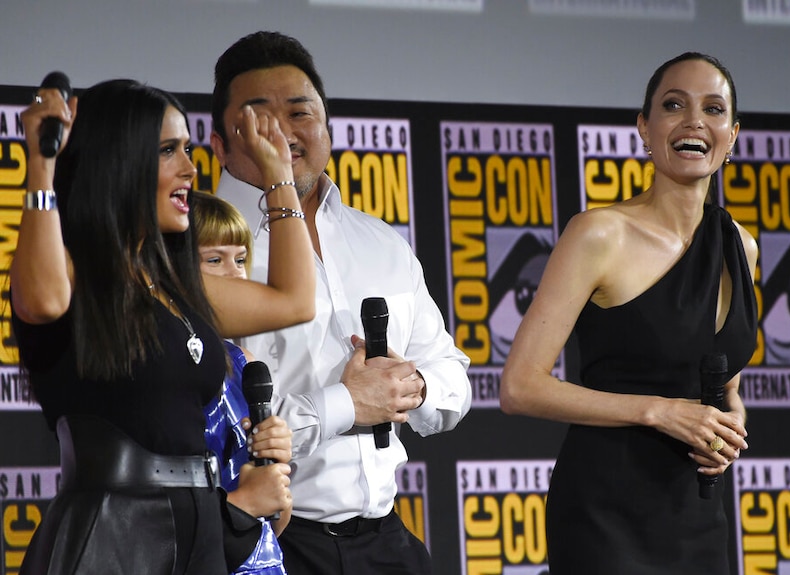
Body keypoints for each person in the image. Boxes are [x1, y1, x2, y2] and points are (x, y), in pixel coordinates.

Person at [12, 77, 314, 574]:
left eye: (189, 149)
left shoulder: (174, 285)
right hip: (112, 536)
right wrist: (42, 166)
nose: (190, 170)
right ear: (119, 163)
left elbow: (295, 300)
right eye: (168, 151)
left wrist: (279, 174)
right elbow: (42, 301)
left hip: (200, 530)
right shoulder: (72, 274)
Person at [211, 31, 472, 575]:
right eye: (259, 117)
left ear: (328, 128)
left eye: (301, 113)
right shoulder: (199, 253)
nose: (282, 132)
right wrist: (348, 403)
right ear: (218, 143)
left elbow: (453, 377)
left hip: (388, 541)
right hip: (262, 543)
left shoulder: (380, 242)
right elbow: (212, 430)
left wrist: (409, 387)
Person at [500, 52, 758, 574]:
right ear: (645, 127)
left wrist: (729, 426)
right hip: (604, 514)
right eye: (673, 105)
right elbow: (520, 386)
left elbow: (725, 384)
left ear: (731, 135)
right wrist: (658, 411)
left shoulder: (742, 247)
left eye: (712, 109)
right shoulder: (599, 234)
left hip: (697, 513)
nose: (693, 122)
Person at [193, 190, 290, 575]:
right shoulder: (158, 373)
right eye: (215, 260)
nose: (236, 275)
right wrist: (241, 503)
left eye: (241, 260)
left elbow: (275, 526)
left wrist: (277, 467)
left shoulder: (242, 363)